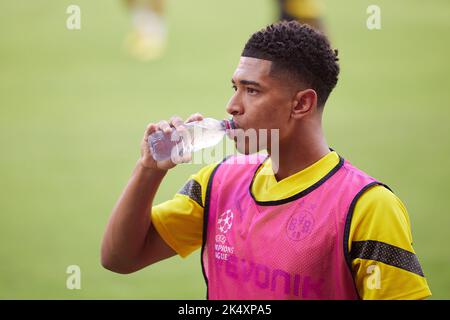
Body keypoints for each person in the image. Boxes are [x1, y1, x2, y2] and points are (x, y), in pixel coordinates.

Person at [101, 21, 432, 299]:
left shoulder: (367, 208)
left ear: (301, 104)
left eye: (252, 90)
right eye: (234, 87)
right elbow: (120, 257)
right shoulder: (218, 183)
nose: (232, 105)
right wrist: (148, 169)